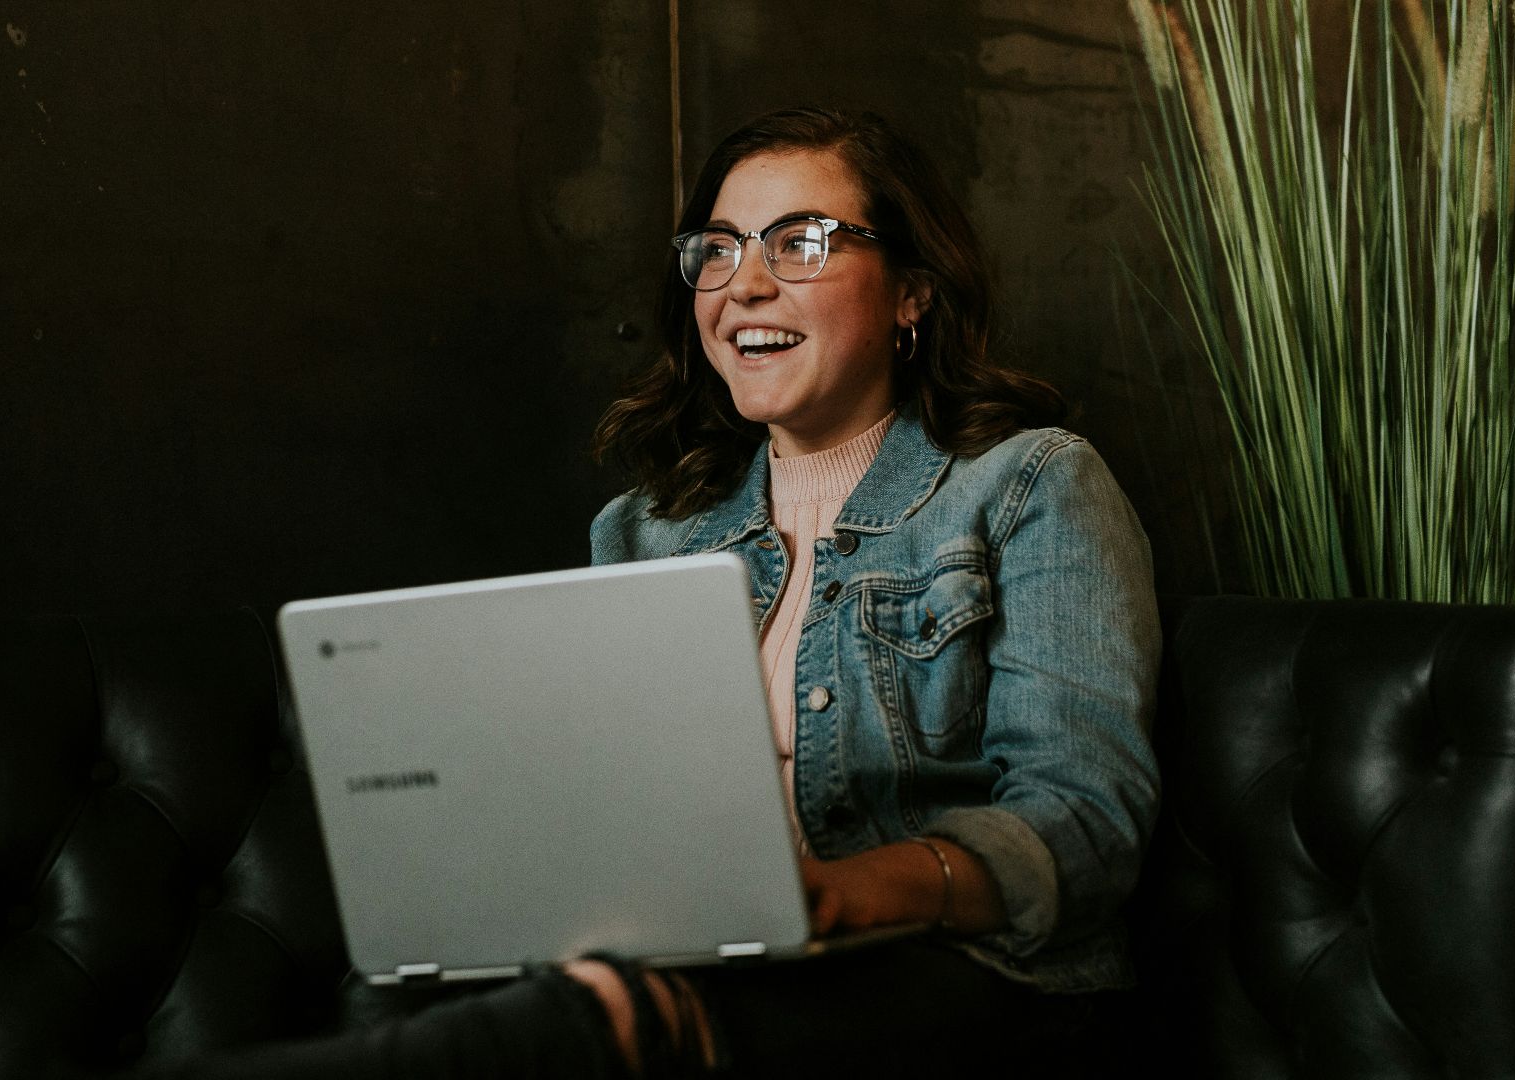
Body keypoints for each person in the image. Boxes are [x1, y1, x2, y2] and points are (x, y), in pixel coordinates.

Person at [158, 105, 1158, 1079]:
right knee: (453, 999)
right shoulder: (645, 530)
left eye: (800, 243)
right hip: (703, 975)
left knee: (610, 1023)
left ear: (912, 292)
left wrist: (844, 896)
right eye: (716, 250)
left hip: (976, 987)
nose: (744, 285)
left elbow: (1083, 822)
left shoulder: (1032, 484)